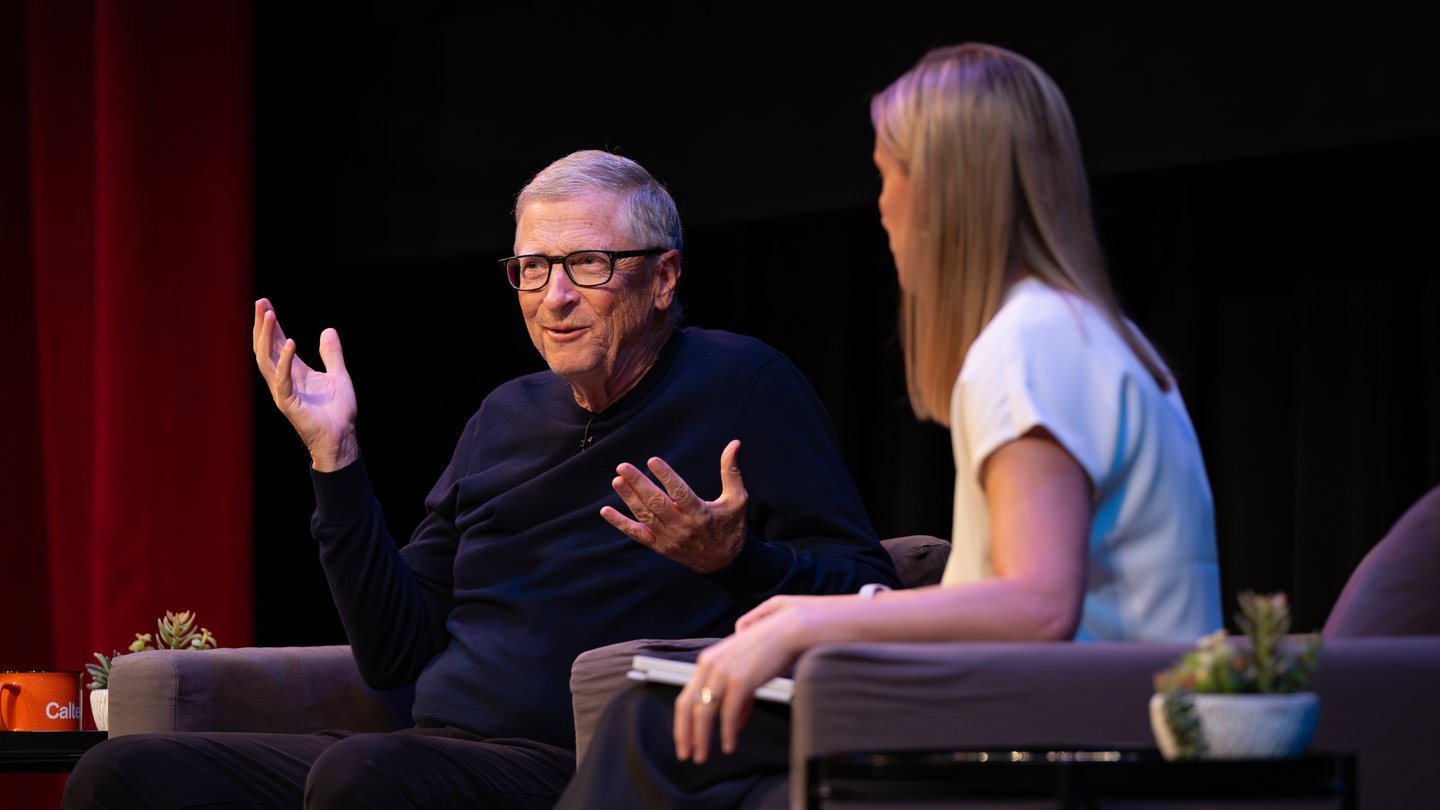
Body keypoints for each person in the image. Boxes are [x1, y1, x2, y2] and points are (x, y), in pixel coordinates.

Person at [62, 150, 898, 809]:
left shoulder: (745, 385)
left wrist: (736, 560)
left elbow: (869, 586)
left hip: (580, 767)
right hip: (432, 748)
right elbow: (395, 651)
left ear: (665, 276)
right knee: (121, 776)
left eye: (589, 265)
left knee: (365, 778)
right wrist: (335, 457)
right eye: (532, 269)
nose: (554, 297)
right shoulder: (504, 414)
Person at [556, 43, 1224, 808]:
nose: (881, 207)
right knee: (697, 742)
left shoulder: (1028, 345)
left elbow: (1038, 604)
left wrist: (813, 625)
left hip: (1073, 733)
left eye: (888, 176)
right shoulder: (1094, 335)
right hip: (1101, 712)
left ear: (942, 191)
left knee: (653, 723)